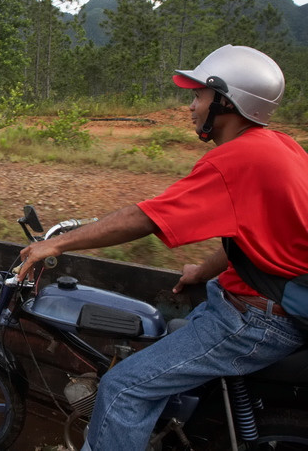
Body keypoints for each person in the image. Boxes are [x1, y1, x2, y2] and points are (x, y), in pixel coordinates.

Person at [17, 45, 308, 450]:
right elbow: (260, 232)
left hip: (254, 321)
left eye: (198, 96)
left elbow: (148, 217)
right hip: (254, 304)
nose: (191, 107)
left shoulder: (237, 160)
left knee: (121, 388)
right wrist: (203, 271)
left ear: (226, 101)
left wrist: (56, 245)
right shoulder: (283, 147)